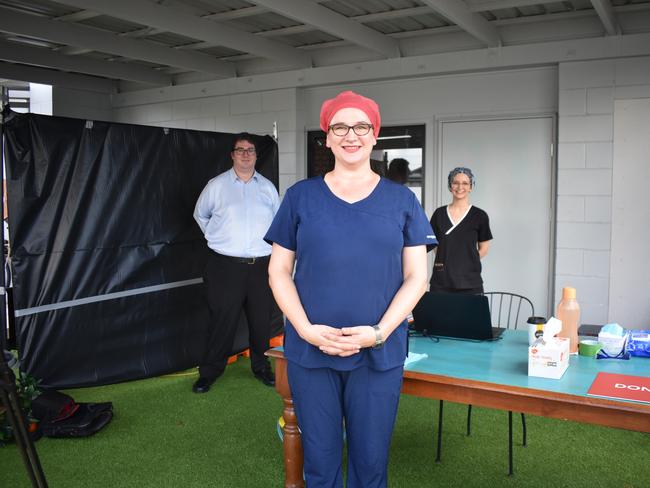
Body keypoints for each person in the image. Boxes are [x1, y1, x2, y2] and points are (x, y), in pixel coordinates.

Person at [265, 91, 437, 488]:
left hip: (378, 352)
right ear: (327, 138)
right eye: (339, 127)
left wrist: (378, 332)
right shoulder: (300, 197)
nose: (351, 135)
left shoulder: (402, 200)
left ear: (374, 135)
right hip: (312, 350)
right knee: (320, 464)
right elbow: (278, 272)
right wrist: (306, 330)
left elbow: (417, 277)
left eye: (361, 126)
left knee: (370, 462)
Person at [192, 133, 280, 394]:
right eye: (240, 150)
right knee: (222, 321)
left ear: (255, 155)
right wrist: (219, 239)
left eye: (250, 150)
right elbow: (201, 215)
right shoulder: (216, 186)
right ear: (232, 155)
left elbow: (277, 223)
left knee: (261, 322)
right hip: (225, 266)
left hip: (261, 265)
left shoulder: (267, 187)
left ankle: (261, 368)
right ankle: (209, 373)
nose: (245, 154)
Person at [429, 167, 492, 295]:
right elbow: (435, 246)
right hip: (441, 282)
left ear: (471, 187)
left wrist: (467, 260)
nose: (460, 187)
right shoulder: (439, 214)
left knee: (470, 315)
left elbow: (484, 248)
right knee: (440, 315)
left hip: (470, 283)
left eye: (465, 183)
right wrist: (447, 259)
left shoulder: (480, 216)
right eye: (455, 182)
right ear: (450, 186)